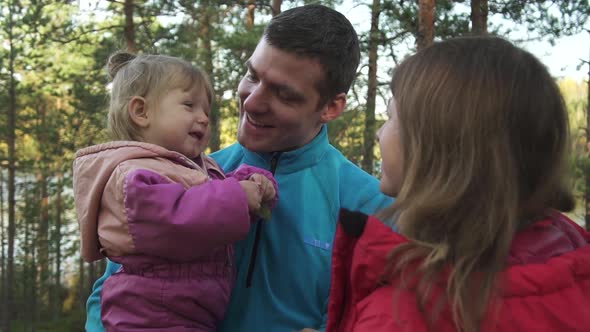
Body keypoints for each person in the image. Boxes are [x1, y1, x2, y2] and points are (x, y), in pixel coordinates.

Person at [85, 4, 393, 332]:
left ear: (331, 107)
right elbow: (111, 291)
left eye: (284, 94)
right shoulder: (182, 173)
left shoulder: (370, 208)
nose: (251, 102)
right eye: (252, 75)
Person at [326, 36, 590, 332]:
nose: (379, 134)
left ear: (436, 147)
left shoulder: (405, 312)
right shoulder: (572, 259)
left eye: (390, 117)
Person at [74, 51, 278, 331]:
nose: (204, 118)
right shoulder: (132, 176)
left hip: (187, 311)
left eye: (206, 110)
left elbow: (213, 204)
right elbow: (179, 219)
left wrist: (253, 183)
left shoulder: (192, 167)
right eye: (189, 105)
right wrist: (238, 196)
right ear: (141, 112)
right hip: (149, 313)